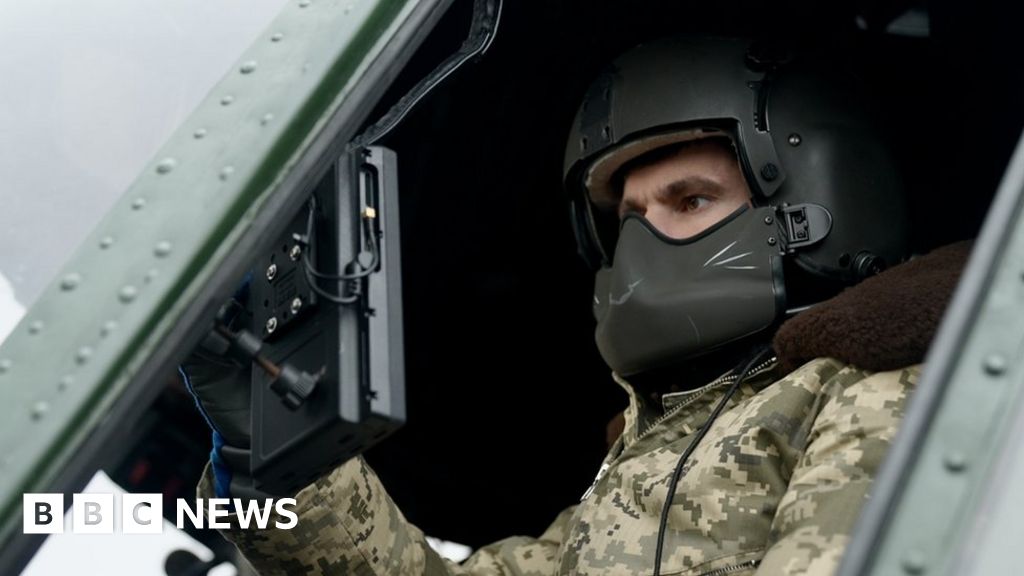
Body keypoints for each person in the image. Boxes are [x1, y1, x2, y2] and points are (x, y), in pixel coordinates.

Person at [183, 35, 969, 575]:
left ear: (819, 198)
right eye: (625, 221)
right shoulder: (645, 459)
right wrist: (279, 453)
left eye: (689, 200)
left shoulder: (879, 396)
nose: (643, 248)